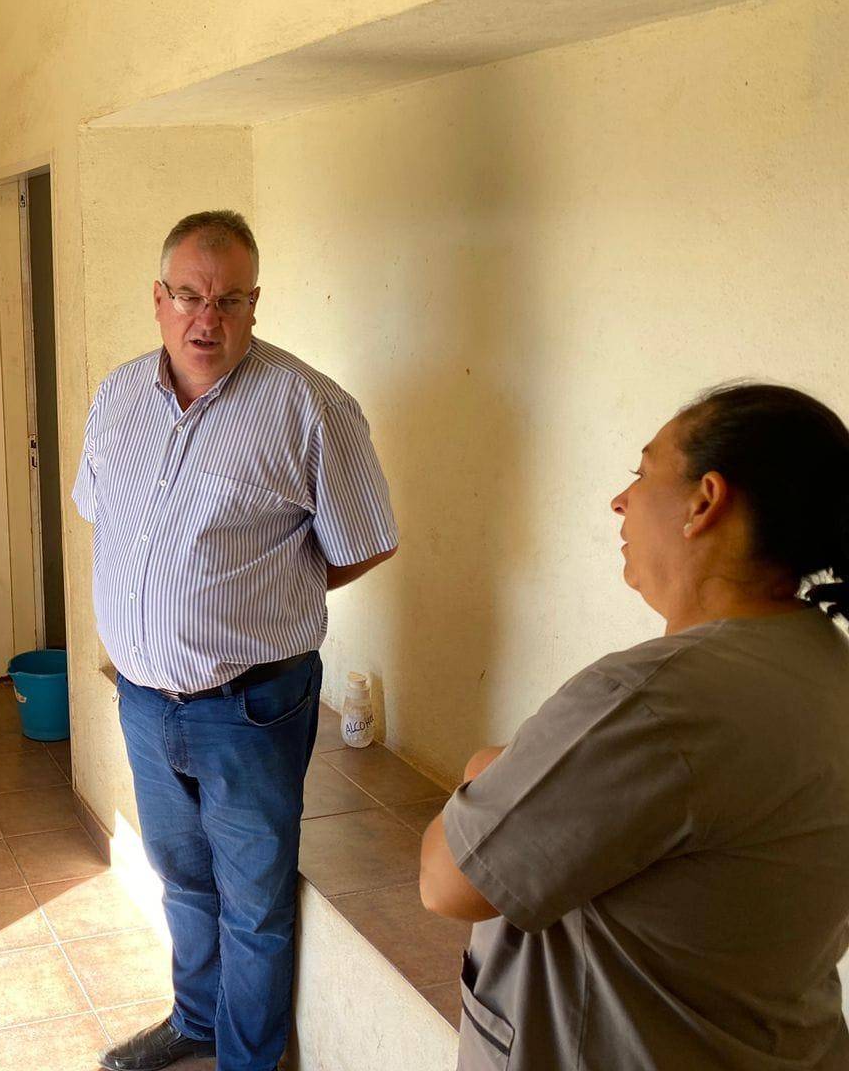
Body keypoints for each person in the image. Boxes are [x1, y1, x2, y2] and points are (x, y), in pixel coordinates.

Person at [420, 383, 849, 1070]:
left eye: (643, 473)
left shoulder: (656, 699)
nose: (621, 501)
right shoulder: (823, 662)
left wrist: (483, 767)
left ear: (705, 502)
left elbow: (448, 881)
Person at [74, 210, 399, 1071]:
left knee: (254, 904)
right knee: (182, 878)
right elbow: (108, 518)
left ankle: (247, 1062)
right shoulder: (117, 397)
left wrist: (263, 597)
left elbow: (364, 540)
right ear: (158, 299)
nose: (206, 320)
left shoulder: (309, 406)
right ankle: (196, 1021)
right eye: (188, 296)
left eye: (230, 300)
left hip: (250, 707)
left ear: (256, 304)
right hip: (145, 700)